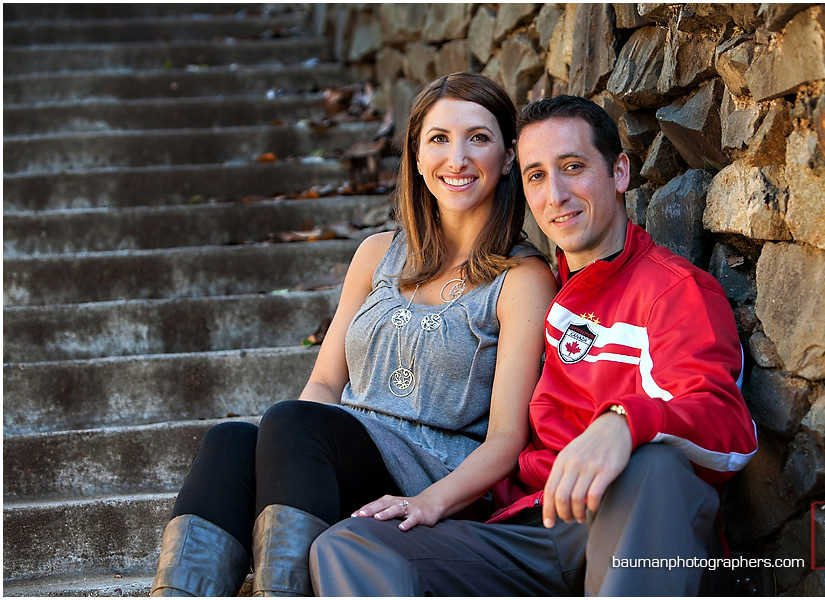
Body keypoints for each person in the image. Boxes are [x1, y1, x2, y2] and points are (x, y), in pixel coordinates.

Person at [310, 95, 759, 596]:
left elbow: (726, 422)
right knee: (348, 544)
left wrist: (624, 422)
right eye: (537, 175)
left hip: (623, 524)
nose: (557, 194)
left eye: (573, 168)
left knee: (654, 463)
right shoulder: (551, 291)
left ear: (620, 172)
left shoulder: (673, 291)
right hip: (525, 527)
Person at [149, 72, 557, 597]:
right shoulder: (376, 254)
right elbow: (322, 385)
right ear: (414, 156)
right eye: (439, 138)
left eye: (478, 137)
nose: (456, 158)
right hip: (343, 454)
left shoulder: (522, 279)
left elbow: (506, 438)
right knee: (231, 443)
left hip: (430, 480)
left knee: (293, 424)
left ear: (506, 158)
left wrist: (428, 501)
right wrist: (283, 458)